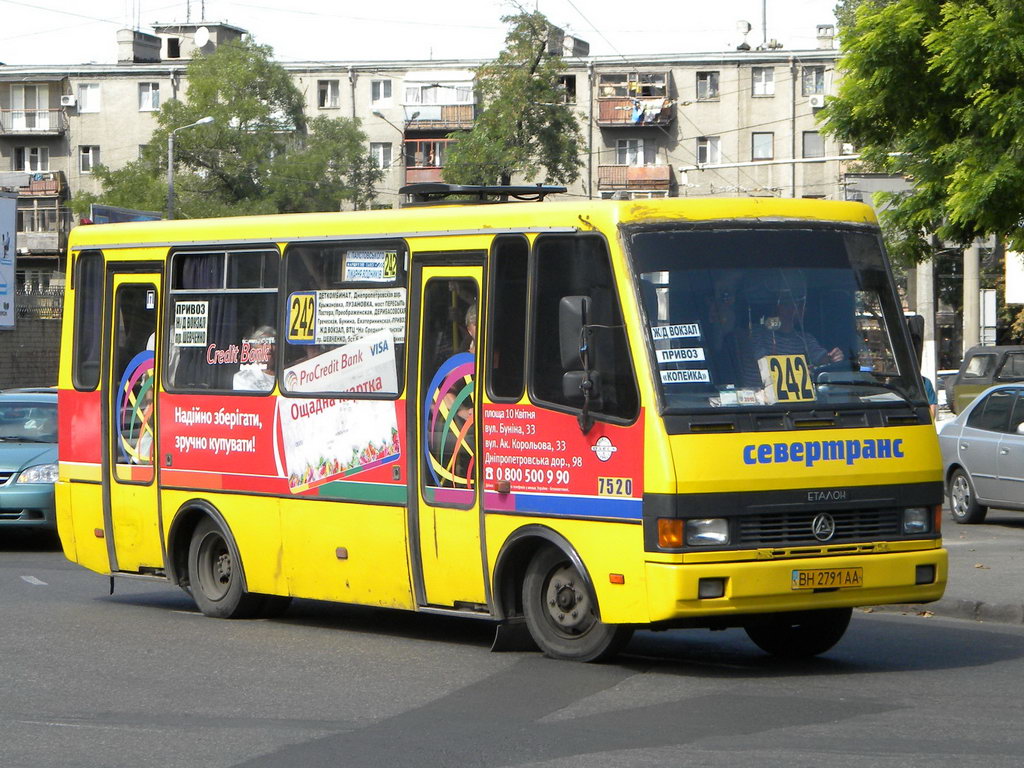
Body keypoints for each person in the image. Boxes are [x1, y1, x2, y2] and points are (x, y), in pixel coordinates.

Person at [740, 270, 844, 388]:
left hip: (798, 406)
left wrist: (833, 358)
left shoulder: (805, 338)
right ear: (775, 306)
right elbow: (765, 365)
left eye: (798, 304)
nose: (793, 308)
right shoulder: (754, 333)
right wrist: (801, 374)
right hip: (759, 403)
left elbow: (822, 360)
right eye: (786, 303)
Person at [233, 326, 276, 392]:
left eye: (273, 343)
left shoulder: (286, 372)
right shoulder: (242, 378)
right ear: (254, 348)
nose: (269, 347)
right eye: (263, 343)